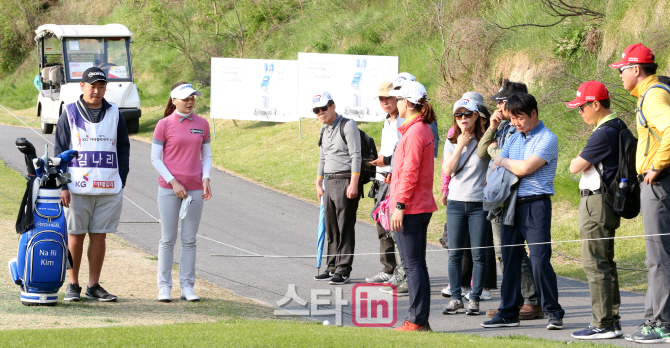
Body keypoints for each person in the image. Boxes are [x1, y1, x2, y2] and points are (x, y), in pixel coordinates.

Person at [481, 93, 565, 330]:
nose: (516, 123)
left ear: (534, 113)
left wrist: (505, 163)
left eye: (520, 118)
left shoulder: (548, 138)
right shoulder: (514, 138)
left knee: (539, 260)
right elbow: (497, 163)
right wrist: (507, 163)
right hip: (510, 203)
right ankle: (508, 312)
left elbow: (526, 168)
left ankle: (553, 311)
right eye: (513, 118)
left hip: (535, 204)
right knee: (509, 260)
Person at [610, 43, 670, 344]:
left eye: (622, 69)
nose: (620, 74)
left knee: (658, 256)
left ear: (636, 69)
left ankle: (659, 323)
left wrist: (656, 166)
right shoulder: (658, 90)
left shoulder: (653, 95)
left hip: (659, 185)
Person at [55, 67, 130, 302]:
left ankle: (93, 285)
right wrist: (63, 186)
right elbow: (59, 152)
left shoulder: (115, 113)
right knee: (75, 236)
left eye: (101, 86)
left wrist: (121, 179)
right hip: (77, 188)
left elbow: (123, 149)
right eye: (92, 86)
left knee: (100, 236)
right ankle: (73, 284)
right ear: (82, 86)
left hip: (108, 188)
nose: (96, 91)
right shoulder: (69, 112)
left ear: (106, 87)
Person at [477, 80, 543, 320]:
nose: (499, 106)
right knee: (502, 252)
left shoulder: (522, 129)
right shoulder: (504, 127)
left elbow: (509, 159)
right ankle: (511, 302)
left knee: (517, 252)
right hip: (497, 195)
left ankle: (532, 301)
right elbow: (482, 152)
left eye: (503, 101)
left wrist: (497, 154)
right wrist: (492, 127)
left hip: (514, 194)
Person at [566, 80, 624, 339]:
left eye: (582, 107)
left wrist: (579, 158)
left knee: (595, 264)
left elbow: (575, 166)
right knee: (605, 263)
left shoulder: (603, 132)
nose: (580, 113)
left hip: (596, 201)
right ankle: (612, 319)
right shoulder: (618, 126)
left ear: (595, 104)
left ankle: (603, 323)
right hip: (607, 201)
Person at [151, 82, 212, 302]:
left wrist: (206, 178)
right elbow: (155, 158)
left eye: (193, 97)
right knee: (168, 238)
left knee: (189, 239)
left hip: (195, 188)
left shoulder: (202, 124)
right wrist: (174, 182)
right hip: (169, 189)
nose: (190, 101)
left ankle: (187, 286)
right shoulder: (164, 124)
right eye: (185, 98)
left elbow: (206, 156)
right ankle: (164, 287)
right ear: (174, 100)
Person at [389, 81, 438, 331]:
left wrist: (399, 205)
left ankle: (417, 320)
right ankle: (420, 319)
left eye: (398, 99)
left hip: (411, 208)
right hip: (416, 205)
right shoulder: (418, 129)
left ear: (407, 103)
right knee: (416, 264)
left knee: (412, 265)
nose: (395, 103)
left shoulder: (416, 131)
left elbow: (411, 173)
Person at [441, 97, 490, 316]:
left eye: (467, 114)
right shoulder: (451, 140)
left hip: (479, 202)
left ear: (476, 116)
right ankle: (455, 298)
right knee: (455, 254)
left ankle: (475, 298)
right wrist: (460, 144)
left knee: (478, 253)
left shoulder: (486, 140)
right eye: (458, 115)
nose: (463, 119)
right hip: (456, 202)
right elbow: (448, 170)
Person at [314, 91, 362, 285]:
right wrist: (319, 181)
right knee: (332, 227)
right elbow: (322, 157)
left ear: (333, 106)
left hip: (345, 180)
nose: (321, 113)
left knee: (345, 226)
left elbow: (356, 155)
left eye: (324, 108)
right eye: (317, 110)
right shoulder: (324, 130)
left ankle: (343, 269)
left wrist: (354, 183)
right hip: (329, 181)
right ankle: (332, 265)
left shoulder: (347, 125)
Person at [366, 82, 399, 286]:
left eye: (388, 97)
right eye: (381, 99)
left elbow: (402, 154)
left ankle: (401, 273)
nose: (385, 102)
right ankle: (388, 269)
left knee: (396, 228)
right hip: (381, 179)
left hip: (395, 180)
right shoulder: (387, 121)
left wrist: (386, 161)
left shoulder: (403, 121)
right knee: (381, 226)